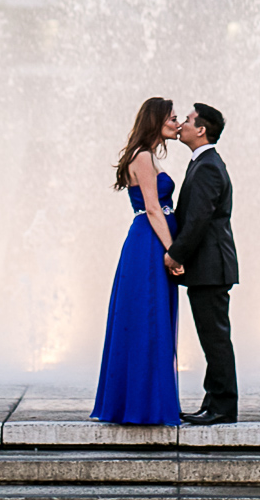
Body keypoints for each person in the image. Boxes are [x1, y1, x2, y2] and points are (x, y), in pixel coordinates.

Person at [90, 96, 184, 425]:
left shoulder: (144, 155)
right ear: (156, 121)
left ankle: (145, 401)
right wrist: (172, 251)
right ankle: (144, 406)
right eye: (172, 118)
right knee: (149, 318)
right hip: (149, 246)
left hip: (149, 241)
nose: (177, 123)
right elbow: (153, 208)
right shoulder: (142, 157)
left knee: (151, 319)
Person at [164, 103, 238, 425]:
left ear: (202, 129)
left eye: (188, 120)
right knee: (212, 337)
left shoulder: (207, 166)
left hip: (211, 268)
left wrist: (176, 254)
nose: (182, 124)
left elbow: (197, 220)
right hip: (207, 268)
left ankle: (223, 406)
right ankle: (213, 402)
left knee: (216, 338)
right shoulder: (203, 163)